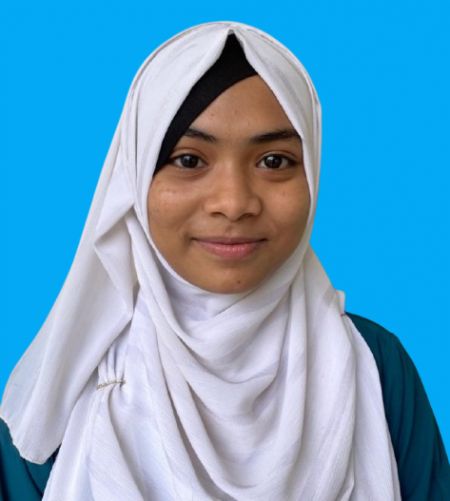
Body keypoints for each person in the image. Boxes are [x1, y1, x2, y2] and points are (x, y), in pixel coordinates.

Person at [1, 20, 449, 500]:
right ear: (134, 180)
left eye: (274, 161)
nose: (234, 203)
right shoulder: (61, 389)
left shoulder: (377, 365)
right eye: (188, 160)